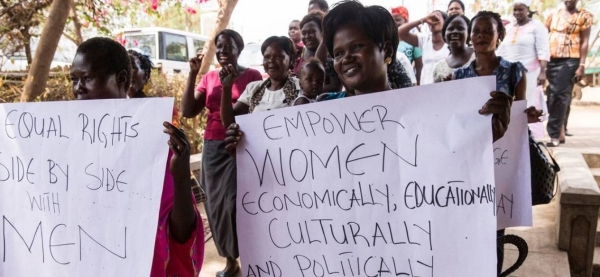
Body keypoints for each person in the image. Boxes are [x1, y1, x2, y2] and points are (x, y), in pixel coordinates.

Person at [225, 0, 513, 158]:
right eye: (338, 53)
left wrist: (485, 137)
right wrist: (250, 144)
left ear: (386, 50)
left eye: (357, 47)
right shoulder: (319, 112)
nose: (345, 58)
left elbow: (447, 161)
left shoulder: (422, 112)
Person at [70, 37, 204, 277]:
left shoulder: (156, 137)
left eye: (87, 78)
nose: (78, 88)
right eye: (74, 79)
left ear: (121, 79)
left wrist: (181, 176)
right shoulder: (65, 139)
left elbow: (180, 236)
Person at [453, 11, 542, 275]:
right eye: (476, 31)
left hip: (501, 161)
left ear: (499, 36)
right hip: (470, 160)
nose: (481, 36)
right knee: (469, 221)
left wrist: (529, 115)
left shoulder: (515, 71)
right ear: (471, 36)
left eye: (487, 32)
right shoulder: (460, 76)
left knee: (496, 225)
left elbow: (519, 113)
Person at [180, 29, 262, 277]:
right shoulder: (210, 78)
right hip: (212, 148)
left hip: (239, 144)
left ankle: (252, 256)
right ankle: (230, 261)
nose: (224, 51)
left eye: (229, 46)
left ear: (238, 49)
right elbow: (188, 110)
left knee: (233, 205)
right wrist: (194, 73)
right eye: (220, 46)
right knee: (215, 206)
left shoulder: (252, 75)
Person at [219, 36, 301, 128]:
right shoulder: (254, 88)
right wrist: (227, 87)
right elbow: (229, 122)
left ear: (291, 60)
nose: (271, 61)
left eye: (278, 56)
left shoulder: (300, 87)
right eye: (266, 57)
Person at [497, 0, 550, 139]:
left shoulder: (537, 27)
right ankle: (512, 136)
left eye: (520, 9)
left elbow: (543, 50)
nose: (517, 13)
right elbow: (501, 50)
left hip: (530, 73)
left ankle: (534, 138)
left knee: (530, 104)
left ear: (527, 9)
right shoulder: (509, 28)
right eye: (515, 10)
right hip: (508, 74)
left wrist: (543, 72)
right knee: (510, 105)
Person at [544, 0, 593, 147]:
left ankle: (554, 135)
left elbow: (585, 41)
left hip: (571, 60)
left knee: (560, 95)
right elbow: (543, 35)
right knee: (553, 95)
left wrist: (582, 64)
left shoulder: (584, 16)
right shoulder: (552, 14)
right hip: (551, 59)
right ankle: (560, 131)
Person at [398, 10, 450, 85]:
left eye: (436, 19)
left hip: (444, 89)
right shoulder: (425, 39)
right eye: (431, 19)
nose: (433, 22)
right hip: (425, 90)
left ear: (445, 22)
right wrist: (423, 20)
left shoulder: (451, 42)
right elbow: (400, 32)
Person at [297, 12, 343, 92]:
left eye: (312, 32)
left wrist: (305, 89)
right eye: (304, 33)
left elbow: (336, 87)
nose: (307, 36)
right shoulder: (297, 59)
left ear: (323, 33)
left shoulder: (333, 58)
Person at [433, 14, 474, 82]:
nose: (455, 32)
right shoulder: (439, 67)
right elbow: (436, 91)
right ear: (444, 35)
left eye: (460, 28)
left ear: (469, 34)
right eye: (450, 29)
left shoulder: (479, 56)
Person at [391, 6, 423, 85]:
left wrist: (419, 85)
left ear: (406, 21)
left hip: (408, 81)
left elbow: (419, 66)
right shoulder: (387, 41)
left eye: (398, 20)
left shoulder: (412, 41)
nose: (395, 23)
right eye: (393, 20)